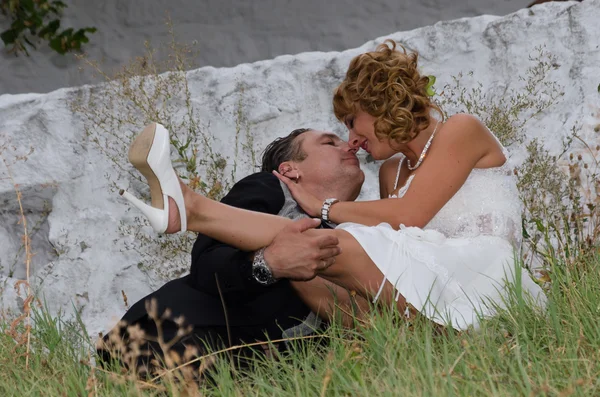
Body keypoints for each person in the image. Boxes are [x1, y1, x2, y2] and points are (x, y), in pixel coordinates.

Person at [120, 39, 546, 335]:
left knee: (334, 239)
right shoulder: (391, 172)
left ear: (381, 104)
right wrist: (319, 219)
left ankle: (193, 208)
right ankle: (189, 209)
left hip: (487, 272)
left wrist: (322, 208)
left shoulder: (461, 130)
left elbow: (409, 217)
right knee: (310, 257)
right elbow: (398, 239)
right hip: (432, 287)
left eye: (351, 123)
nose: (353, 140)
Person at [99, 128, 367, 377]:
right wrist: (268, 263)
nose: (349, 146)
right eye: (330, 142)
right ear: (289, 169)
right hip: (182, 338)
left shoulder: (363, 235)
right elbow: (207, 262)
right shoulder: (272, 188)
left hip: (256, 374)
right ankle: (188, 207)